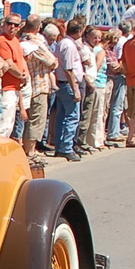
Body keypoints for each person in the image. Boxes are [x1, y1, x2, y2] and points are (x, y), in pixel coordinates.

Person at [50, 18, 86, 161]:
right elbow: (69, 69)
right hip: (68, 84)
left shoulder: (63, 43)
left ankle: (60, 146)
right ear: (79, 31)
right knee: (71, 117)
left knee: (62, 117)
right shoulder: (69, 45)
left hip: (63, 83)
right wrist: (75, 88)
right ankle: (66, 147)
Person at [20, 22, 57, 162]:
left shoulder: (20, 41)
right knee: (37, 119)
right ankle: (30, 150)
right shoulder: (35, 45)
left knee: (28, 120)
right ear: (38, 27)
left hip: (27, 87)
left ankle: (28, 148)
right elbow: (52, 61)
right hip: (38, 85)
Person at [0, 15, 29, 138]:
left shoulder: (15, 40)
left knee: (9, 124)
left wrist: (25, 73)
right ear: (4, 24)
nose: (12, 27)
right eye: (9, 23)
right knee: (3, 125)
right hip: (6, 88)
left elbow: (20, 59)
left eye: (16, 25)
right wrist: (21, 76)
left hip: (15, 87)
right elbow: (9, 64)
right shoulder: (2, 40)